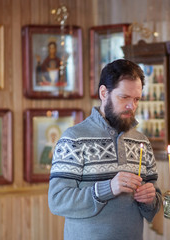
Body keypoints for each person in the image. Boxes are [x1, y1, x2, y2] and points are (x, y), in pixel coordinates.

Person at [48, 59, 162, 240]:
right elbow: (57, 200)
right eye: (124, 97)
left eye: (136, 99)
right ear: (103, 93)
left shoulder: (141, 142)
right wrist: (107, 188)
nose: (131, 106)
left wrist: (150, 200)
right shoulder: (74, 138)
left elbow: (153, 206)